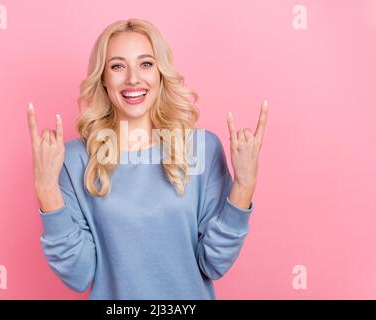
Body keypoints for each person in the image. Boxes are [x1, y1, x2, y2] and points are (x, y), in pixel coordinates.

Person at [27, 18, 268, 300]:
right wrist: (46, 189)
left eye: (146, 64)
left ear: (161, 73)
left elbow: (213, 264)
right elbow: (79, 275)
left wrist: (244, 186)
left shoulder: (202, 148)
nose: (133, 78)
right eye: (117, 66)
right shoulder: (74, 160)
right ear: (103, 79)